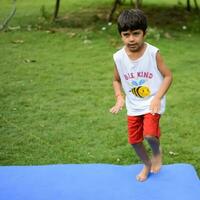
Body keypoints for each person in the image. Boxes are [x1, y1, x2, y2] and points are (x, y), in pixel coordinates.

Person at [110, 9, 173, 182]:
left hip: (152, 102)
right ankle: (146, 163)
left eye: (136, 34)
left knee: (150, 135)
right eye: (126, 34)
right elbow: (116, 80)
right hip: (133, 105)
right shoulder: (118, 57)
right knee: (134, 141)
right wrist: (119, 97)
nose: (131, 39)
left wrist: (157, 97)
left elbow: (168, 76)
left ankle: (157, 153)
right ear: (121, 35)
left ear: (144, 33)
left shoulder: (153, 53)